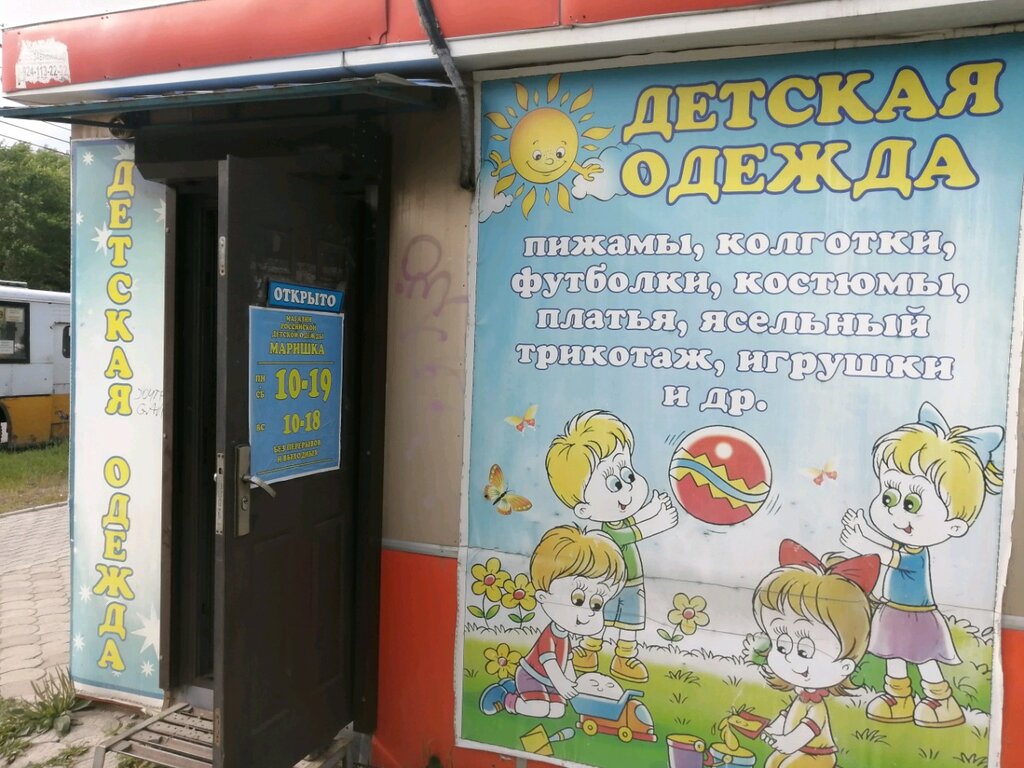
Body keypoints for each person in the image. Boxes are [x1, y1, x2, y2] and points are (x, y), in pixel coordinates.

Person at [841, 401, 1003, 728]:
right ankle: (897, 697)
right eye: (888, 497)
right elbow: (887, 551)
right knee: (893, 655)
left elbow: (892, 558)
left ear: (954, 526)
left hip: (917, 616)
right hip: (893, 610)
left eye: (911, 503)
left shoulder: (915, 552)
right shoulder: (902, 542)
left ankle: (941, 701)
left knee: (924, 659)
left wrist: (863, 543)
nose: (894, 511)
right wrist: (864, 535)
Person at [546, 409, 677, 683]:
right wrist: (658, 522)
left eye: (628, 475)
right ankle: (589, 650)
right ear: (584, 509)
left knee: (630, 621)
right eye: (614, 483)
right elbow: (628, 535)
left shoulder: (621, 518)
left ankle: (624, 657)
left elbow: (632, 523)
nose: (627, 488)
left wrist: (652, 509)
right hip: (605, 584)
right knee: (599, 616)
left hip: (632, 580)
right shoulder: (604, 530)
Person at [754, 539, 880, 768]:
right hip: (799, 750)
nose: (790, 658)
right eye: (781, 646)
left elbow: (809, 728)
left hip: (818, 756)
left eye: (805, 651)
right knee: (772, 763)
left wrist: (788, 742)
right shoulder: (802, 697)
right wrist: (775, 728)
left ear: (845, 665)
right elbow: (790, 716)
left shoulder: (816, 706)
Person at [479, 524, 626, 718]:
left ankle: (512, 688)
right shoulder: (550, 635)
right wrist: (563, 684)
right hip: (531, 676)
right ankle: (505, 698)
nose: (589, 612)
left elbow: (567, 660)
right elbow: (549, 663)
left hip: (551, 682)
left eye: (597, 604)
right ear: (543, 596)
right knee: (539, 709)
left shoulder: (565, 636)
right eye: (578, 600)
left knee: (557, 712)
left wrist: (572, 682)